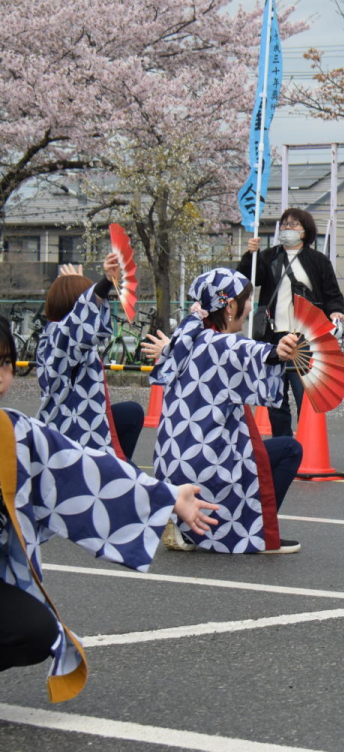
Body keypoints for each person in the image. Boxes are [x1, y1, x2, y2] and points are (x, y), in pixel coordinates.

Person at [0, 315, 219, 702]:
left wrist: (166, 496)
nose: (2, 378)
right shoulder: (62, 331)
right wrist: (100, 290)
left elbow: (82, 469)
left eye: (5, 363)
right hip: (73, 422)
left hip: (85, 433)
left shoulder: (12, 432)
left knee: (36, 630)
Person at [141, 269, 304, 554]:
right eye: (247, 299)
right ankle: (257, 532)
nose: (250, 306)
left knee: (254, 449)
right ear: (230, 306)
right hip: (208, 462)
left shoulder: (185, 340)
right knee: (290, 449)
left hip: (172, 463)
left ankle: (180, 519)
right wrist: (279, 350)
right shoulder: (223, 343)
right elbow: (258, 353)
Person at [239, 208, 344, 438]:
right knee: (274, 394)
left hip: (305, 337)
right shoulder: (268, 256)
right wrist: (250, 256)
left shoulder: (317, 260)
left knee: (305, 392)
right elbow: (249, 280)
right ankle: (283, 443)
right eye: (285, 224)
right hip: (273, 334)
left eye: (294, 224)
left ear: (306, 231)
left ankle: (309, 442)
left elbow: (332, 294)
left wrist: (336, 312)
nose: (288, 228)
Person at [36, 256, 144, 461]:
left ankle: (119, 464)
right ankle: (116, 467)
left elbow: (80, 316)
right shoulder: (61, 337)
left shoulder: (58, 336)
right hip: (72, 436)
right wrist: (105, 282)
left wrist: (73, 286)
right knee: (133, 480)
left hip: (82, 421)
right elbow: (81, 316)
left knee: (132, 413)